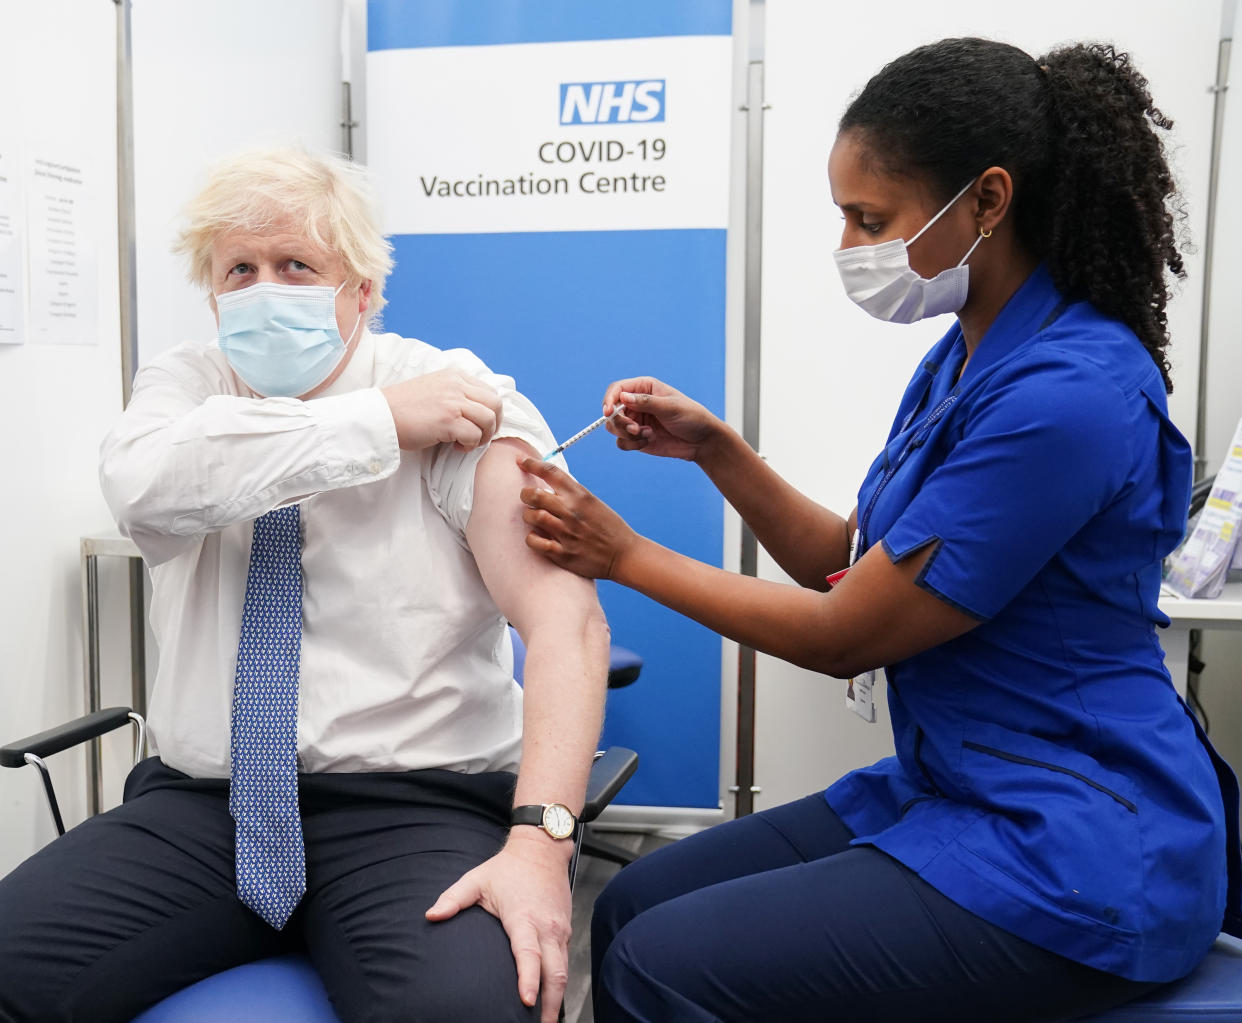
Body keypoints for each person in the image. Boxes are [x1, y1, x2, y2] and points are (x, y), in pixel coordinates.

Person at [516, 38, 1242, 1022]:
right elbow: (847, 565)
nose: (853, 247)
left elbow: (846, 632)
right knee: (635, 901)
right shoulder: (966, 360)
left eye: (872, 219)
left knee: (660, 965)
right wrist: (719, 451)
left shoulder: (1070, 395)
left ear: (988, 200)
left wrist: (624, 555)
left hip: (1078, 841)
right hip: (958, 783)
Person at [0, 148, 609, 1023]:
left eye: (297, 265)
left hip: (412, 805)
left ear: (362, 290)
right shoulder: (188, 384)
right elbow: (145, 489)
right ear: (213, 296)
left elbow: (565, 625)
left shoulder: (463, 397)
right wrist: (375, 424)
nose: (264, 288)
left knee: (472, 1011)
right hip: (204, 808)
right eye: (239, 270)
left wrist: (542, 843)